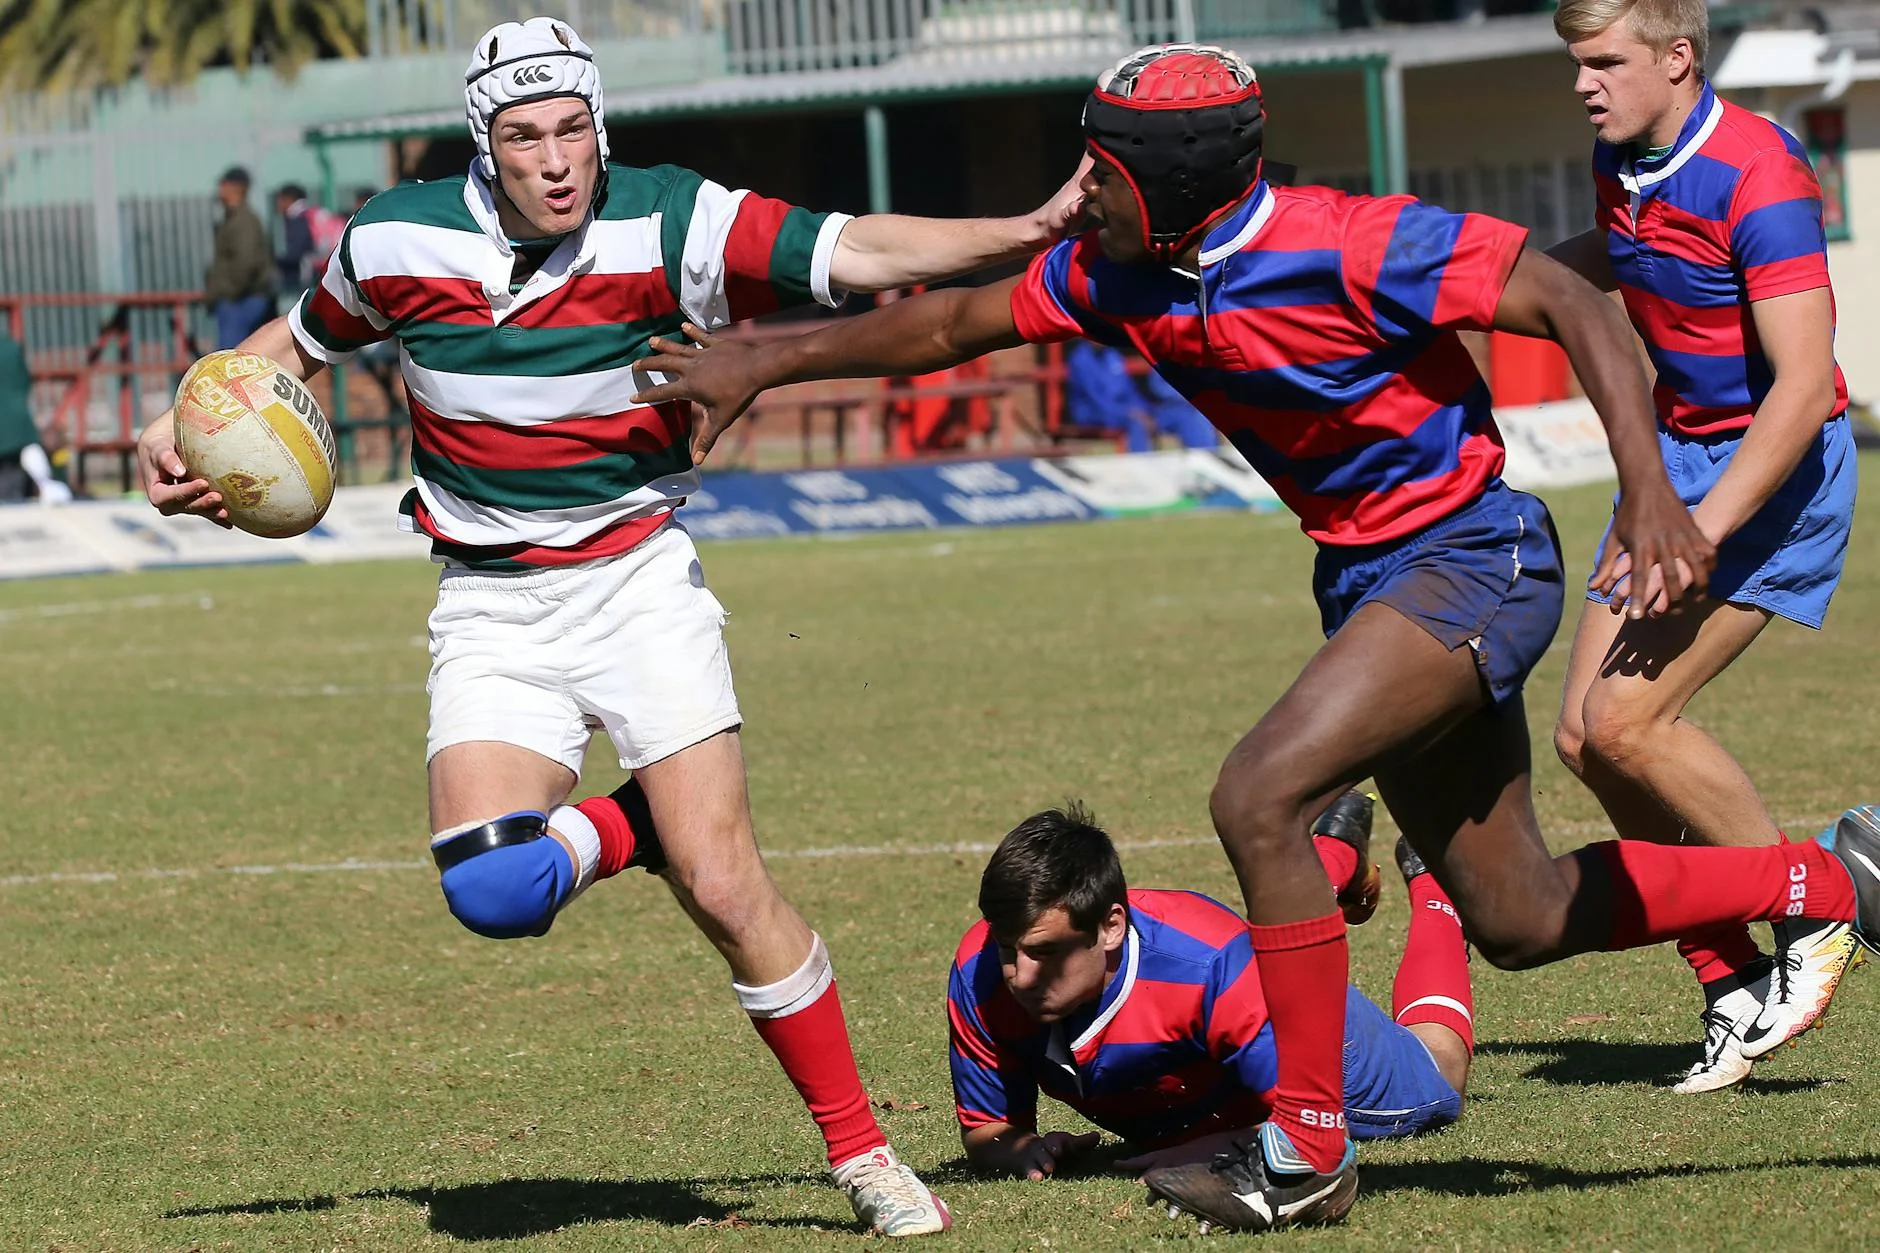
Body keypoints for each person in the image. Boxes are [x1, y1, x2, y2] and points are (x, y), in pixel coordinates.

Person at [633, 42, 1880, 1232]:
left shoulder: (1346, 238)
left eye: (1098, 171)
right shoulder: (1120, 269)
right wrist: (762, 358)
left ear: (1164, 183)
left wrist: (1649, 488)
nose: (1078, 194)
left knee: (1261, 797)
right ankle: (1829, 879)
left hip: (1471, 560)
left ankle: (1304, 1148)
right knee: (1521, 916)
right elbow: (949, 329)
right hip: (1372, 580)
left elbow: (1566, 298)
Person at [135, 16, 1085, 1238]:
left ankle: (862, 1155)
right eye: (524, 136)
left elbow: (855, 249)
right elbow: (294, 349)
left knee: (728, 886)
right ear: (485, 146)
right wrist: (194, 415)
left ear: (600, 125)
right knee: (493, 889)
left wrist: (1023, 227)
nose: (555, 159)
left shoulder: (668, 217)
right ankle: (650, 815)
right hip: (487, 602)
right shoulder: (391, 237)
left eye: (573, 127)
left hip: (637, 581)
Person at [1547, 0, 1860, 1093]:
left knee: (1631, 721)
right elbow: (1617, 250)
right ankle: (1728, 977)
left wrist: (1701, 526)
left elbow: (1797, 387)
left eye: (1602, 62)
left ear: (1676, 58)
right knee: (1584, 739)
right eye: (1573, 63)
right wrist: (1505, 284)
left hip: (1767, 479)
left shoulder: (1758, 175)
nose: (1582, 83)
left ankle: (1820, 903)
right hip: (1675, 470)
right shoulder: (1618, 156)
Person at [950, 800, 1474, 1213]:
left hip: (1317, 1049)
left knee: (1441, 1066)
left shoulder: (1211, 968)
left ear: (1111, 927)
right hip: (1232, 1023)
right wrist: (1021, 1148)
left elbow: (1311, 1132)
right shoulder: (980, 971)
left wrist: (1208, 1147)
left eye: (1043, 952)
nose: (1018, 973)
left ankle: (1438, 890)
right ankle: (1334, 852)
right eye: (1006, 948)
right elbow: (987, 1130)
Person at [1064, 340, 1217, 452]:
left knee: (1187, 414)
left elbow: (1130, 391)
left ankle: (1206, 463)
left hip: (1129, 411)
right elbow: (1097, 401)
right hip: (1095, 414)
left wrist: (1145, 411)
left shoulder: (1113, 355)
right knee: (1137, 423)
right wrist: (1132, 413)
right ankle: (1145, 472)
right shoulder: (1080, 360)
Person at [205, 167, 273, 350]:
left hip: (242, 300)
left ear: (238, 188)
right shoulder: (232, 219)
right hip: (237, 299)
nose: (220, 189)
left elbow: (246, 262)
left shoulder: (243, 220)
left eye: (225, 184)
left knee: (231, 360)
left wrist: (228, 292)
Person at [0, 327, 70, 504]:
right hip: (16, 430)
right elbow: (24, 381)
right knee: (12, 491)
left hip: (9, 432)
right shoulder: (11, 347)